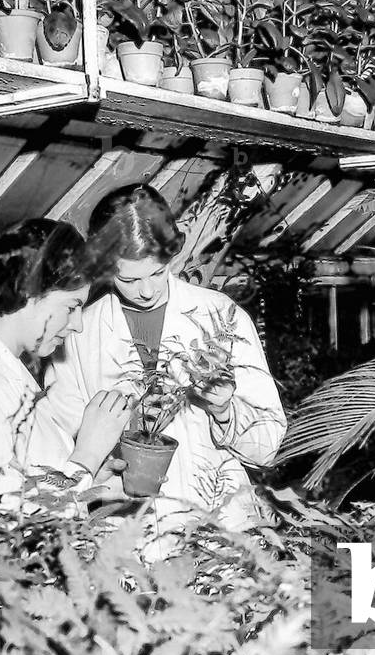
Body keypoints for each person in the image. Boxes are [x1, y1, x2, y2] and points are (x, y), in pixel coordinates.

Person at [42, 184, 286, 530]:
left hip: (219, 526)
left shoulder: (219, 315)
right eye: (128, 278)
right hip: (125, 532)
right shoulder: (79, 333)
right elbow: (58, 442)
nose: (146, 290)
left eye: (157, 272)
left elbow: (268, 445)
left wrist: (224, 411)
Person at [0, 219, 133, 530]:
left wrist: (87, 481)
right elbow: (5, 524)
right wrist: (87, 454)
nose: (78, 324)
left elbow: (21, 488)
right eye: (72, 306)